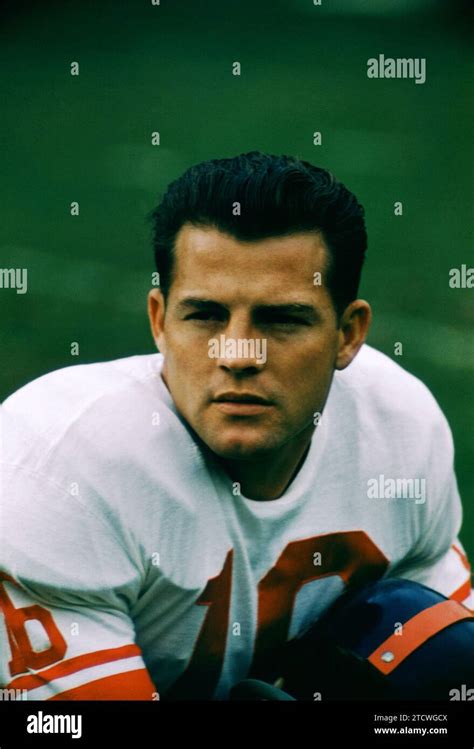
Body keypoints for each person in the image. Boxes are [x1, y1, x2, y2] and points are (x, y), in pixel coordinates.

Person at [0, 152, 471, 701]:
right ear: (159, 321)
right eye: (205, 316)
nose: (239, 354)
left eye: (281, 319)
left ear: (348, 334)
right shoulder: (61, 464)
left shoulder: (400, 428)